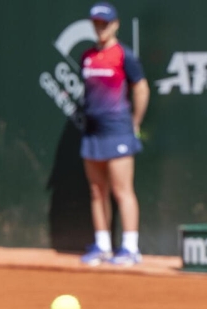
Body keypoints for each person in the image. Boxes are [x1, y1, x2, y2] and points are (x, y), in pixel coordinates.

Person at [79, 2, 149, 266]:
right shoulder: (86, 56)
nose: (100, 28)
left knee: (122, 191)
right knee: (97, 191)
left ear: (115, 25)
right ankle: (103, 246)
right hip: (92, 132)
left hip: (118, 130)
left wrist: (135, 122)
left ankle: (130, 248)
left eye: (105, 23)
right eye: (96, 23)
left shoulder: (124, 55)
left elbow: (141, 89)